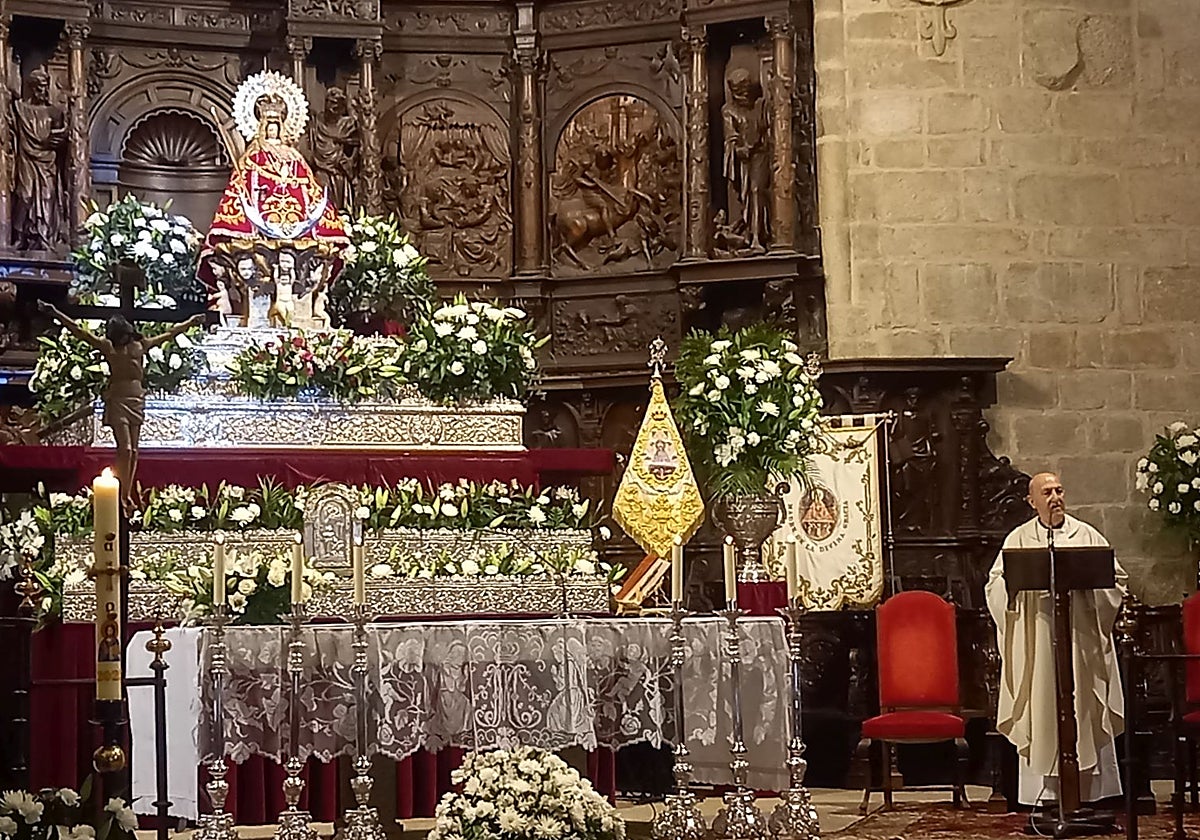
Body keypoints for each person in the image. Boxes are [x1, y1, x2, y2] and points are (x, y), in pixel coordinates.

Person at [984, 472, 1127, 809]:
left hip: (1080, 641)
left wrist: (1093, 593)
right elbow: (995, 586)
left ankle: (1089, 794)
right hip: (1038, 642)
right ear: (1031, 501)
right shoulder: (1018, 541)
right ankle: (1044, 796)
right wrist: (1015, 591)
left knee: (1084, 707)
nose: (1055, 497)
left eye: (1059, 490)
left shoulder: (1086, 535)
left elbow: (1115, 578)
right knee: (1042, 704)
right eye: (1046, 492)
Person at [38, 301, 206, 510]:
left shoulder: (140, 345)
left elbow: (170, 333)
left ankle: (126, 494)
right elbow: (79, 331)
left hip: (136, 398)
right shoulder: (108, 346)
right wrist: (55, 311)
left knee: (134, 450)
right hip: (118, 398)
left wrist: (191, 321)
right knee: (124, 449)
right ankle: (120, 492)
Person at [198, 90, 349, 290]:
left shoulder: (293, 155)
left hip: (296, 219)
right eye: (268, 127)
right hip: (263, 213)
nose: (272, 131)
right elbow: (243, 182)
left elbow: (308, 185)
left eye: (275, 126)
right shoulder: (254, 154)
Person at [11, 66, 68, 252]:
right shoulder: (20, 109)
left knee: (47, 196)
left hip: (48, 162)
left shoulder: (55, 112)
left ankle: (45, 238)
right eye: (39, 87)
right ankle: (19, 237)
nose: (42, 91)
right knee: (25, 196)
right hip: (27, 160)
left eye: (45, 87)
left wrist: (58, 139)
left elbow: (64, 139)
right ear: (32, 87)